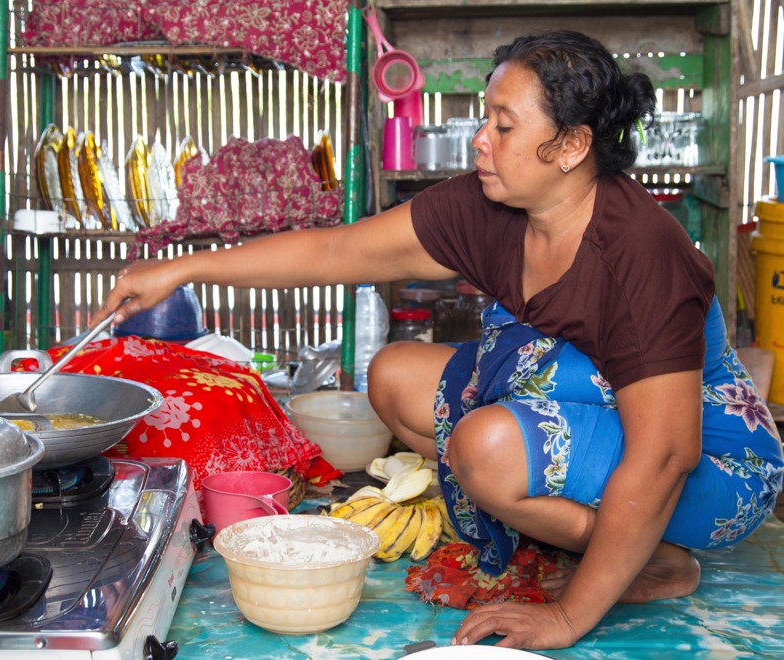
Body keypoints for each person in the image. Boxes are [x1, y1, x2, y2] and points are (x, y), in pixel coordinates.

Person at [92, 30, 784, 650]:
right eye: (485, 118)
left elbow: (667, 454)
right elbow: (339, 253)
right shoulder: (495, 206)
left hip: (717, 468)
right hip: (602, 410)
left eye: (503, 126)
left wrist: (568, 617)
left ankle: (653, 558)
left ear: (572, 146)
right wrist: (186, 265)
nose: (480, 139)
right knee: (392, 376)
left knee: (484, 448)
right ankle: (570, 522)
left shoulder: (639, 254)